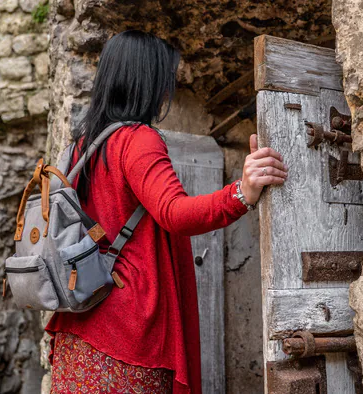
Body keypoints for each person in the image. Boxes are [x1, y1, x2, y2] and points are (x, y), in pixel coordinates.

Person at [45, 30, 288, 394]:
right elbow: (174, 212)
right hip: (125, 333)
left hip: (77, 329)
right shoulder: (137, 139)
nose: (167, 91)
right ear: (147, 80)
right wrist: (243, 191)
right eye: (165, 79)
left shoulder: (82, 144)